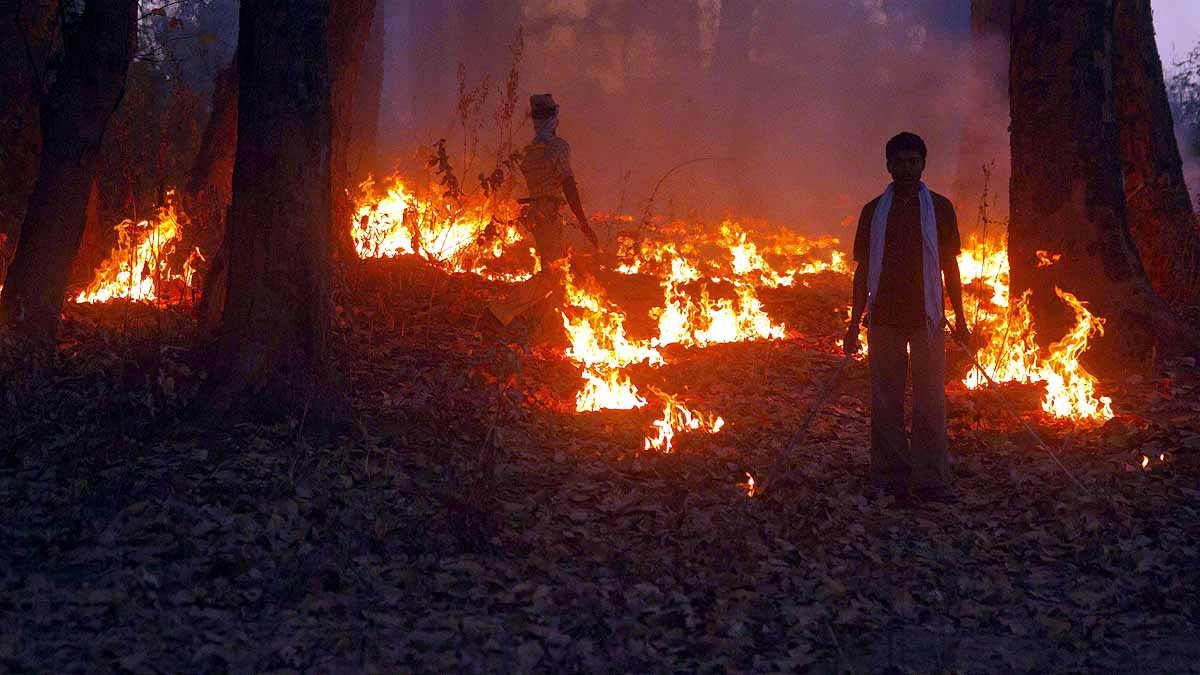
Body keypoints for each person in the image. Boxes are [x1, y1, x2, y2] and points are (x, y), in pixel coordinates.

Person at [844, 132, 970, 503]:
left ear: (923, 165)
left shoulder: (941, 209)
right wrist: (853, 324)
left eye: (913, 162)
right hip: (883, 317)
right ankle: (889, 477)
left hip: (929, 318)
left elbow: (949, 266)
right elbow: (863, 269)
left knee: (930, 400)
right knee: (886, 400)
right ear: (888, 166)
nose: (907, 169)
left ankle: (931, 479)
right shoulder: (873, 211)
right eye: (899, 162)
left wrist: (960, 319)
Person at [488, 94, 598, 338]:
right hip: (547, 214)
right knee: (555, 272)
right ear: (555, 118)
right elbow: (568, 184)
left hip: (536, 214)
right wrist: (583, 223)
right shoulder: (559, 148)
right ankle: (499, 311)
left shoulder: (529, 152)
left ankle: (549, 327)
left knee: (556, 270)